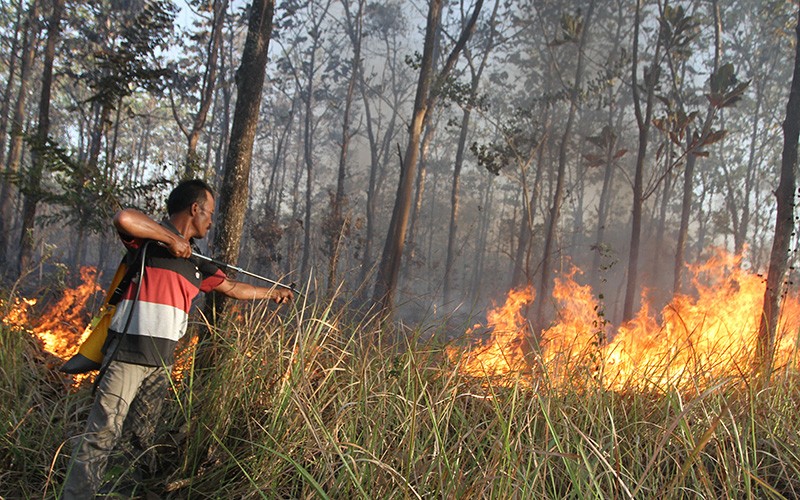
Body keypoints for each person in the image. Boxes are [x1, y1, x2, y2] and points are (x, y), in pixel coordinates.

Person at [62, 179, 293, 498]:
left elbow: (234, 289)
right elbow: (124, 218)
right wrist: (170, 239)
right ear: (194, 209)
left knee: (139, 443)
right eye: (209, 212)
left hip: (160, 365)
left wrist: (273, 293)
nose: (211, 221)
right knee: (101, 436)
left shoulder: (197, 262)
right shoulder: (147, 241)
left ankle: (123, 493)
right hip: (127, 356)